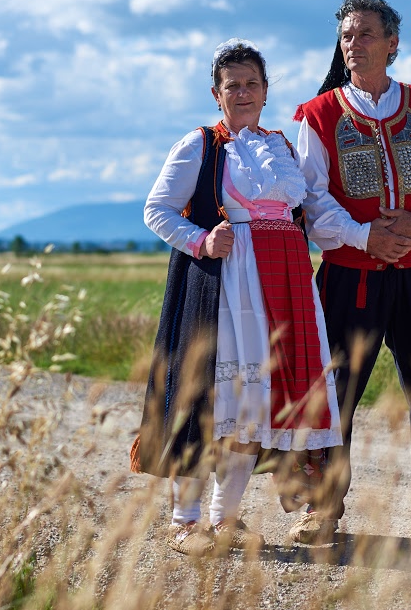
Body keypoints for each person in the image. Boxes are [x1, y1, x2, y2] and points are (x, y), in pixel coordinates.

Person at [134, 38, 343, 556]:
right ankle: (184, 520)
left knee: (255, 407)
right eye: (233, 85)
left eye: (252, 83)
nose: (243, 92)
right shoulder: (201, 144)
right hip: (224, 289)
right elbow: (157, 209)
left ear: (266, 91)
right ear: (217, 93)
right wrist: (203, 240)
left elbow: (309, 216)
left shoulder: (282, 147)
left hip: (283, 288)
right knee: (211, 399)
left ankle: (224, 519)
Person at [289, 0, 411, 544]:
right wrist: (364, 234)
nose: (354, 45)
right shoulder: (319, 115)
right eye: (347, 36)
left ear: (393, 44)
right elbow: (312, 199)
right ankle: (321, 509)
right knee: (336, 394)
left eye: (366, 34)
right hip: (350, 274)